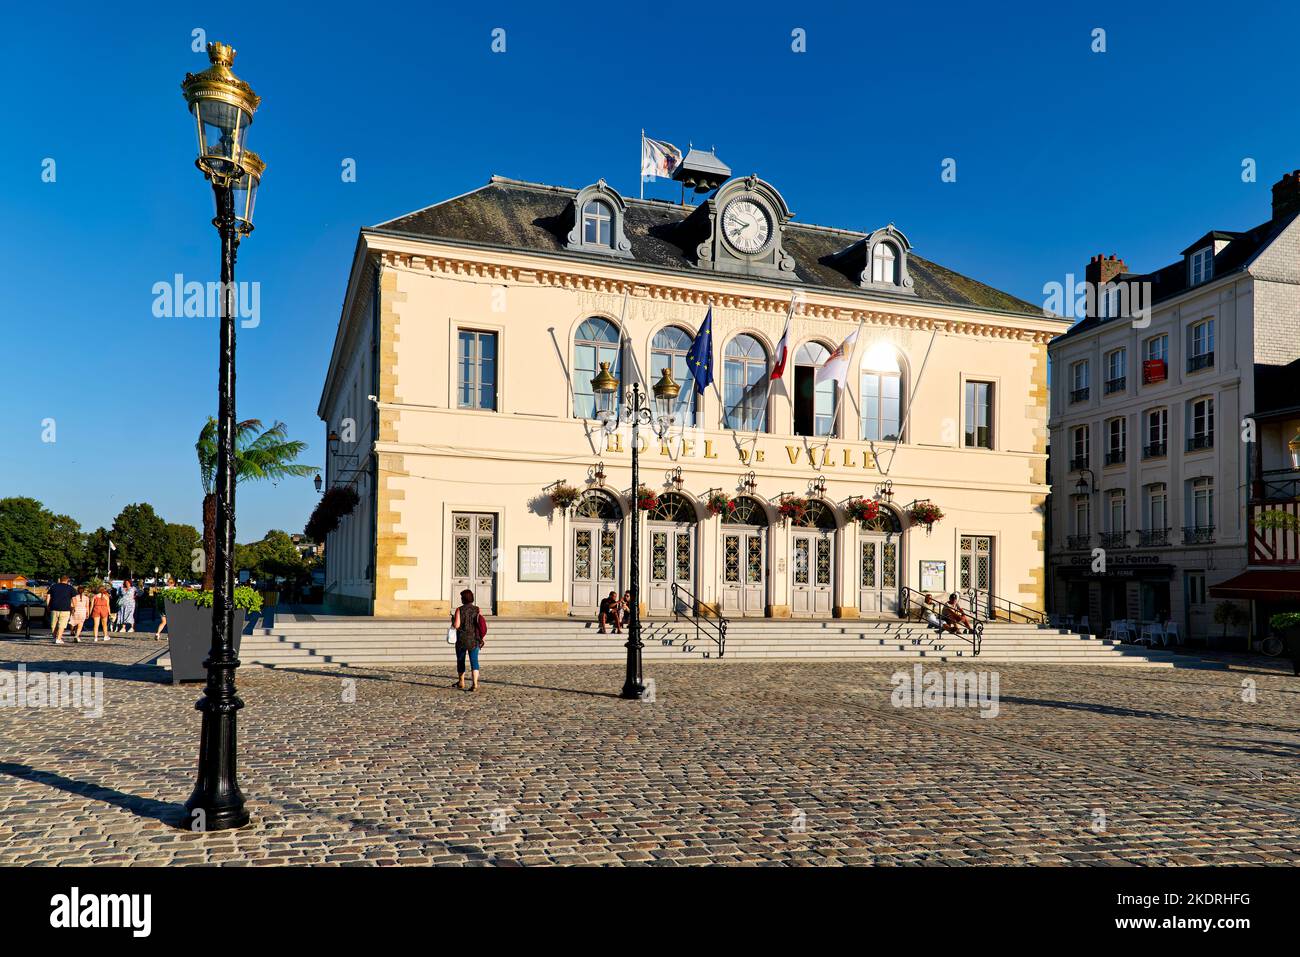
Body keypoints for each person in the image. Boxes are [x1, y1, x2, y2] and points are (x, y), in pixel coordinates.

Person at [450, 588, 483, 692]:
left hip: (462, 640)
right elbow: (478, 623)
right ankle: (475, 684)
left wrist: (453, 620)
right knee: (474, 661)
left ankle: (461, 682)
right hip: (474, 639)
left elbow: (457, 625)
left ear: (463, 599)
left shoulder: (459, 609)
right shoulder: (477, 609)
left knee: (461, 660)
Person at [46, 575, 77, 645]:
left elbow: (48, 596)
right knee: (62, 624)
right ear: (67, 580)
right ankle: (58, 638)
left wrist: (47, 605)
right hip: (65, 608)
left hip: (54, 607)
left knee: (53, 624)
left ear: (60, 579)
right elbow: (74, 599)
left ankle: (54, 637)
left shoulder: (53, 586)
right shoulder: (70, 588)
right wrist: (74, 607)